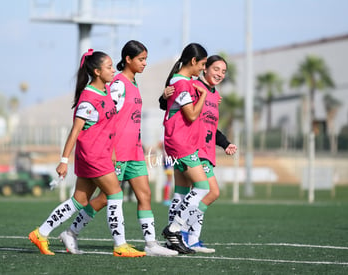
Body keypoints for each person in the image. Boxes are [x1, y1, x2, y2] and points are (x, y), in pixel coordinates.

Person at [58, 40, 178, 256]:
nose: (144, 63)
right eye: (141, 59)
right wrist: (106, 148)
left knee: (145, 195)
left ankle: (151, 245)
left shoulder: (133, 83)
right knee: (104, 198)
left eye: (146, 59)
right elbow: (105, 116)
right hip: (117, 152)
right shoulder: (118, 84)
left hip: (135, 151)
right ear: (128, 59)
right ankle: (72, 232)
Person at [28, 49, 146, 258]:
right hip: (92, 156)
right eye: (109, 67)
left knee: (79, 201)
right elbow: (75, 131)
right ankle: (120, 245)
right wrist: (63, 161)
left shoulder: (106, 91)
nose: (113, 70)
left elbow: (108, 127)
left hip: (100, 154)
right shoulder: (88, 99)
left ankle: (41, 233)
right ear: (97, 71)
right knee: (115, 193)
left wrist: (112, 151)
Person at [160, 55, 237, 253]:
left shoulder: (213, 94)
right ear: (204, 68)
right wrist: (164, 95)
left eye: (223, 71)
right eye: (215, 69)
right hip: (191, 148)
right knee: (209, 191)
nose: (219, 74)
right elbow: (172, 104)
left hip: (199, 148)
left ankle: (188, 239)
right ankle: (180, 231)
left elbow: (210, 126)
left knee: (182, 193)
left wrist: (225, 143)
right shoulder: (193, 85)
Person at [160, 42, 211, 254]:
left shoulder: (184, 81)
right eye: (203, 64)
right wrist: (205, 96)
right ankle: (174, 229)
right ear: (193, 61)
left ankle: (174, 238)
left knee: (181, 192)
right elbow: (190, 114)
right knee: (202, 187)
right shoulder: (181, 83)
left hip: (180, 142)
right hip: (180, 143)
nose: (204, 69)